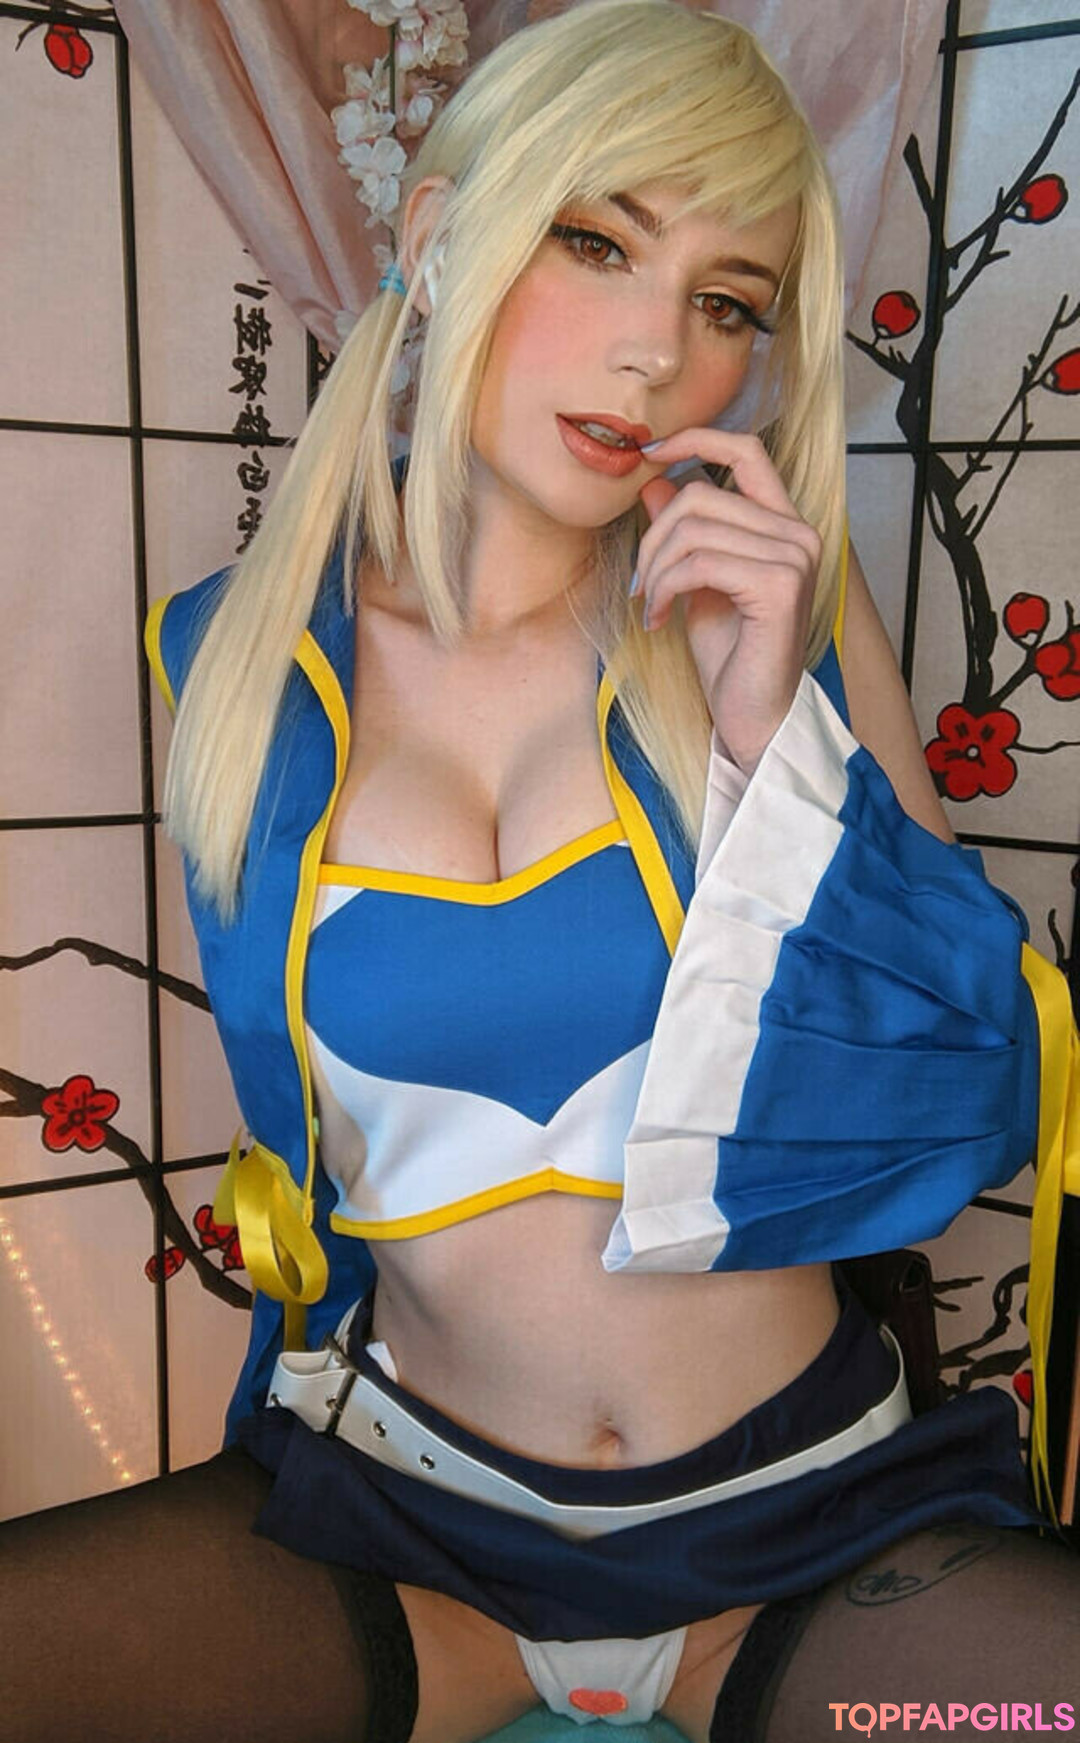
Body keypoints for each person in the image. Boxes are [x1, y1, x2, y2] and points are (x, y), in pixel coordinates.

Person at [4, 3, 1079, 1740]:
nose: (656, 352)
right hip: (403, 1517)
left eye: (726, 303)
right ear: (440, 239)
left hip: (804, 1518)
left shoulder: (778, 622)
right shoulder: (232, 660)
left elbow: (977, 1102)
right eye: (597, 242)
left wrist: (767, 745)